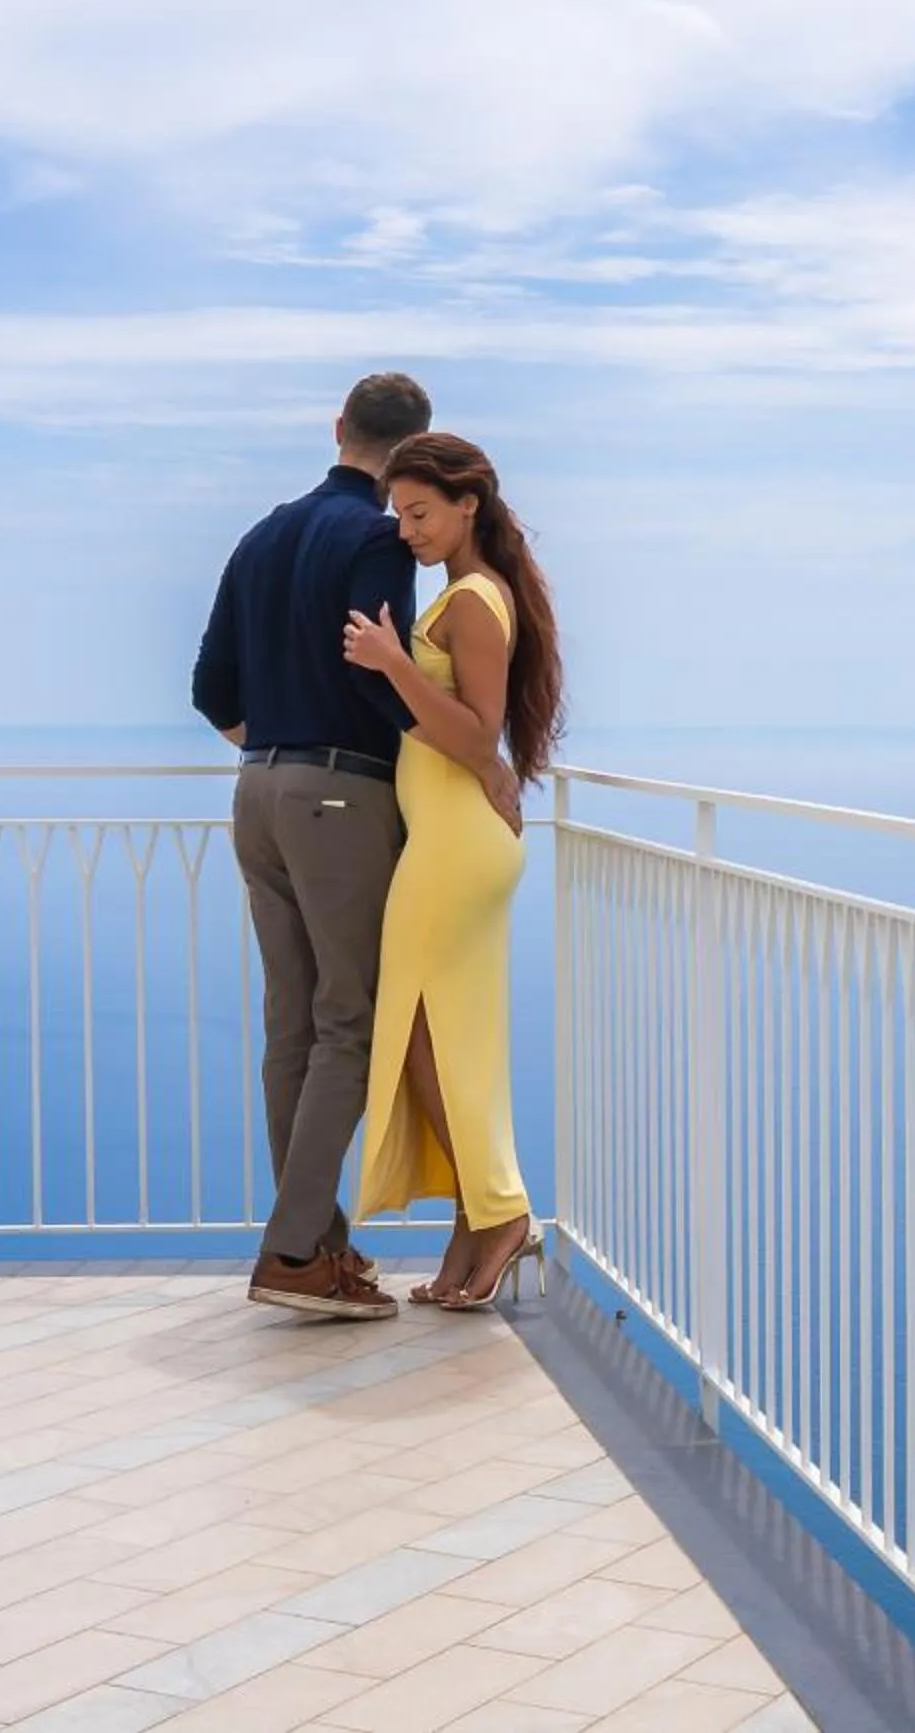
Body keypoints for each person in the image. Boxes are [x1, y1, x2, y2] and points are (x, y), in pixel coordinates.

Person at [192, 374, 521, 1320]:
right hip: (341, 797)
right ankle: (295, 1252)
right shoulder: (379, 537)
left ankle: (320, 1245)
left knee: (290, 1026)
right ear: (411, 450)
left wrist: (279, 748)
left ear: (337, 430)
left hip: (255, 788)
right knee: (350, 1020)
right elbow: (381, 675)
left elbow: (212, 689)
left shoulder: (260, 534)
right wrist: (459, 764)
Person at [339, 432, 566, 1308]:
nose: (407, 530)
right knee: (443, 1043)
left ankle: (500, 1212)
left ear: (468, 502)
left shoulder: (474, 600)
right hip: (447, 842)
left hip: (456, 848)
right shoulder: (465, 594)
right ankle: (477, 1222)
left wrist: (395, 665)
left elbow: (477, 736)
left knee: (422, 1041)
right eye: (399, 514)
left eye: (420, 511)